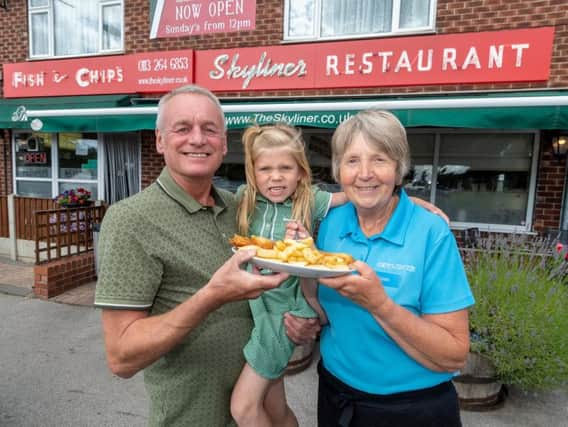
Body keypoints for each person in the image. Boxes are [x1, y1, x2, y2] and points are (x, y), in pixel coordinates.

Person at [94, 85, 319, 427]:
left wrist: (300, 322)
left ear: (224, 144)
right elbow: (121, 358)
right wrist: (211, 296)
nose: (197, 139)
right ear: (159, 140)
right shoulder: (130, 220)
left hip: (262, 407)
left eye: (210, 129)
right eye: (182, 128)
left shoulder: (241, 209)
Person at [298, 110, 475, 426]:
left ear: (398, 168)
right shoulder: (330, 225)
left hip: (411, 410)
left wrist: (379, 304)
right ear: (339, 170)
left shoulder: (430, 233)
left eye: (379, 159)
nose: (365, 173)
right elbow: (331, 313)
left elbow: (454, 354)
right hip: (335, 395)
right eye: (352, 161)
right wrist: (306, 322)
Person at [229, 124, 347, 427]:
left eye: (285, 167)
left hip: (284, 314)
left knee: (243, 408)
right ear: (253, 173)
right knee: (275, 406)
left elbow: (356, 196)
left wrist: (408, 201)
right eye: (265, 168)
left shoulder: (308, 200)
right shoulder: (245, 199)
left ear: (300, 173)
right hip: (254, 309)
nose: (276, 176)